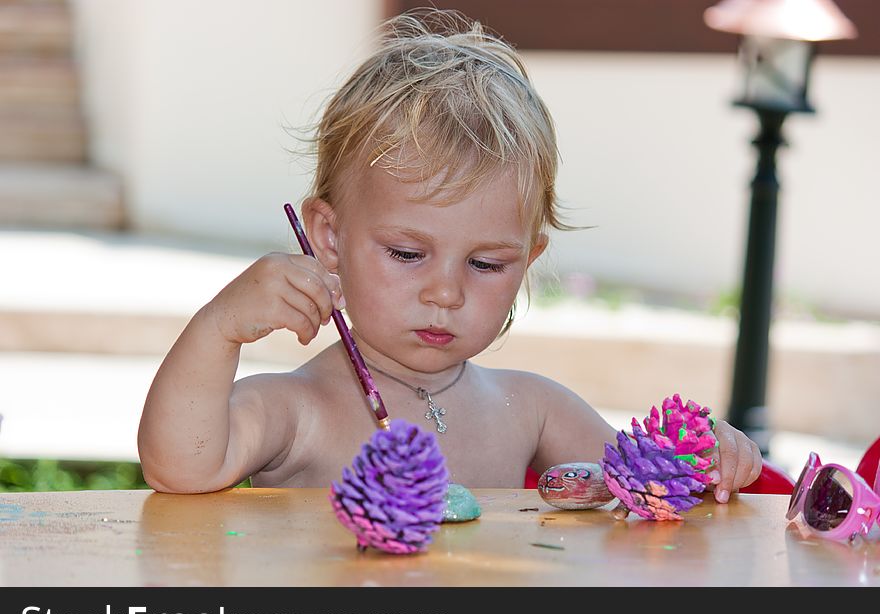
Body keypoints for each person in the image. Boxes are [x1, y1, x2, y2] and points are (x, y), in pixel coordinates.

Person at [138, 9, 762, 499]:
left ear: (528, 258)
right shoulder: (299, 409)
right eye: (408, 253)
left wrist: (703, 461)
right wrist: (219, 329)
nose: (446, 292)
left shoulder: (534, 409)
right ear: (329, 239)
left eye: (487, 264)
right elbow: (181, 467)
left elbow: (643, 490)